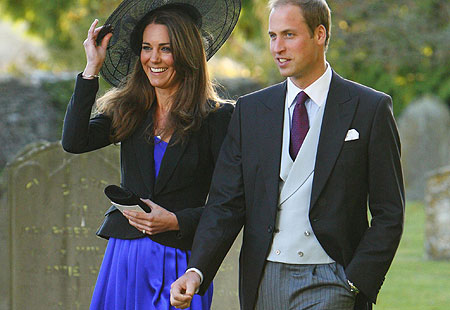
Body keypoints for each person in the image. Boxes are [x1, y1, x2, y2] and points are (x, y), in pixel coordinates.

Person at [170, 0, 405, 310]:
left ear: (319, 34)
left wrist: (357, 280)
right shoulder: (250, 111)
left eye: (289, 35)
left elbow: (389, 210)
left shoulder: (369, 108)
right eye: (272, 36)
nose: (277, 47)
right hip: (264, 278)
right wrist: (196, 270)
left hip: (333, 280)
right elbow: (225, 203)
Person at [61, 0, 241, 309]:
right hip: (124, 258)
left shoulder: (219, 118)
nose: (153, 59)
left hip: (181, 265)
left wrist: (175, 221)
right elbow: (74, 141)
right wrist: (91, 68)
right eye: (147, 47)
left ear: (186, 53)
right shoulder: (129, 109)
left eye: (165, 49)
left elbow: (231, 204)